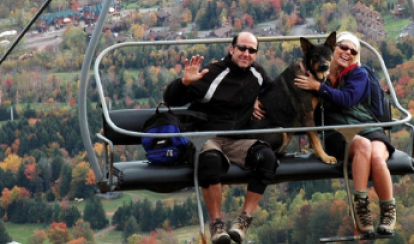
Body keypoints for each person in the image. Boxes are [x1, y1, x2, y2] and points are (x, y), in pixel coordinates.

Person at [164, 32, 276, 244]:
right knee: (211, 160)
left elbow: (274, 92)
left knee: (267, 158)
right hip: (207, 136)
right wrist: (184, 83)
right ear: (231, 49)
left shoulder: (257, 74)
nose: (246, 53)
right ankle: (217, 225)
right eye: (242, 48)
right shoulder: (213, 73)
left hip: (237, 139)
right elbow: (171, 99)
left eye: (252, 50)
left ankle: (243, 220)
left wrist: (259, 99)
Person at [294, 31, 396, 236]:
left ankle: (388, 212)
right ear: (333, 49)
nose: (347, 52)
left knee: (377, 156)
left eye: (352, 50)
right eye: (343, 47)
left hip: (367, 127)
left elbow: (347, 99)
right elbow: (287, 88)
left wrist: (319, 88)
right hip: (336, 133)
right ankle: (362, 207)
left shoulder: (358, 74)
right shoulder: (313, 72)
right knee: (363, 146)